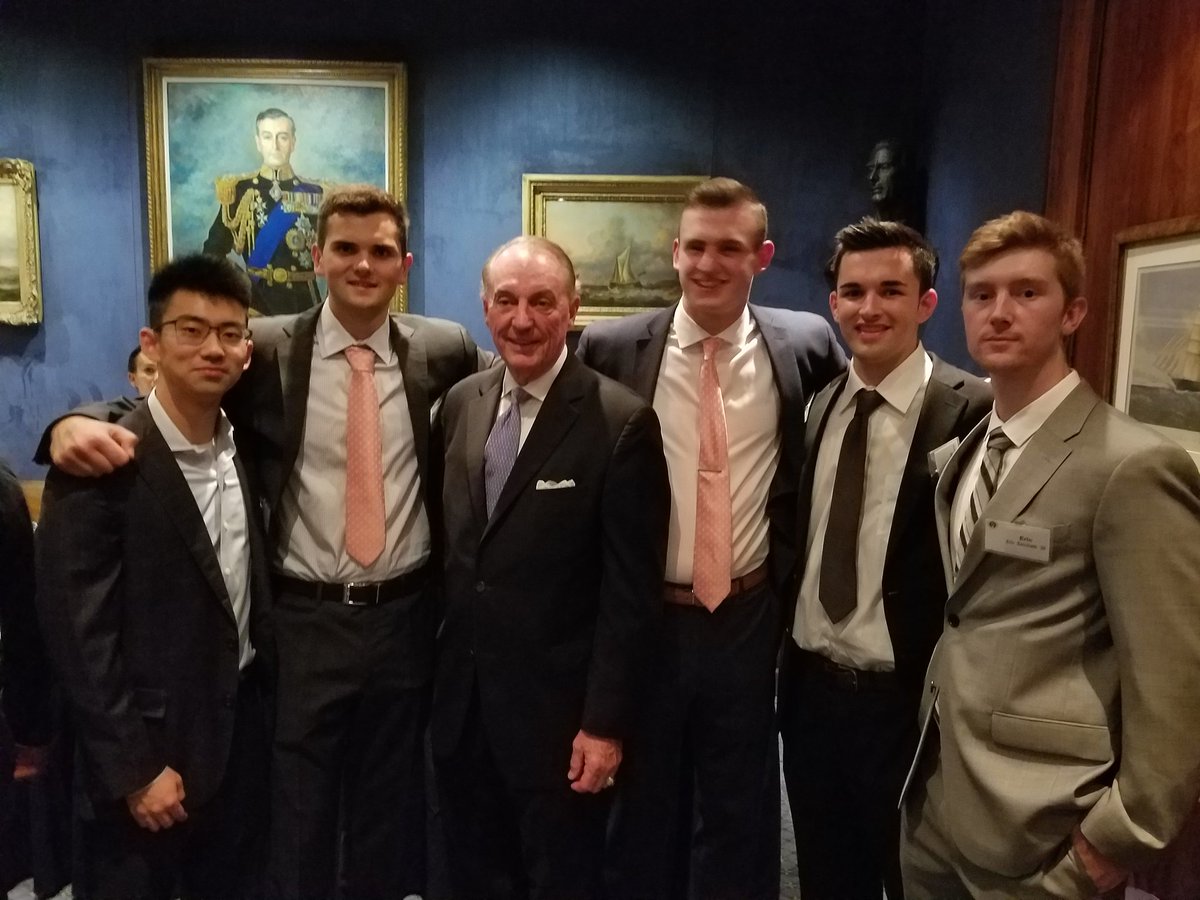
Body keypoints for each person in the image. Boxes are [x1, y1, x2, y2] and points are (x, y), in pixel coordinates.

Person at [39, 185, 487, 900]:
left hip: (406, 620)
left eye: (379, 252)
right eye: (345, 249)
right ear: (318, 258)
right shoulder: (267, 347)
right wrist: (71, 422)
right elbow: (172, 394)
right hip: (303, 623)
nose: (362, 265)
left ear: (402, 264)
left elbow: (505, 407)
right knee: (294, 824)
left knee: (387, 817)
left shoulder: (446, 348)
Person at [900, 211, 1200, 898]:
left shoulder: (1134, 466)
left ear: (1074, 312)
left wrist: (1118, 841)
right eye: (982, 294)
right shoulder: (970, 449)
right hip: (937, 801)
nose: (999, 312)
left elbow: (1176, 685)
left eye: (1027, 293)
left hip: (1048, 831)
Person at [575, 177, 846, 899]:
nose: (709, 263)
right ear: (674, 252)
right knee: (644, 807)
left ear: (761, 255)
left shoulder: (808, 346)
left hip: (748, 618)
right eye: (695, 246)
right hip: (646, 620)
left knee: (740, 811)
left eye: (730, 248)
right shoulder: (609, 347)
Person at [432, 236, 669, 899]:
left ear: (572, 307)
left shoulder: (620, 422)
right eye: (506, 302)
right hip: (464, 715)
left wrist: (604, 725)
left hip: (560, 726)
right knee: (475, 878)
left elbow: (631, 598)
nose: (523, 320)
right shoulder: (461, 404)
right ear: (485, 308)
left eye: (542, 301)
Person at [35, 255, 272, 900]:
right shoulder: (102, 460)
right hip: (147, 756)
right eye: (191, 330)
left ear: (246, 349)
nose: (212, 348)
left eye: (229, 333)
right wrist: (134, 768)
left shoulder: (246, 448)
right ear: (152, 342)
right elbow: (77, 633)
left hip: (241, 749)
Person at [777, 219, 990, 900]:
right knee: (825, 878)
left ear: (926, 303)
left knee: (912, 881)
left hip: (907, 706)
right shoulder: (817, 407)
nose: (869, 309)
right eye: (852, 292)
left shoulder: (974, 410)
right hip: (811, 697)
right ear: (833, 304)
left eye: (891, 291)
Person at [203, 107, 324, 316]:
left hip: (305, 304)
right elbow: (212, 253)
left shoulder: (317, 193)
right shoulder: (240, 191)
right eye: (268, 137)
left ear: (293, 142)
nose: (275, 145)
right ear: (258, 142)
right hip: (256, 303)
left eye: (283, 137)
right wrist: (240, 299)